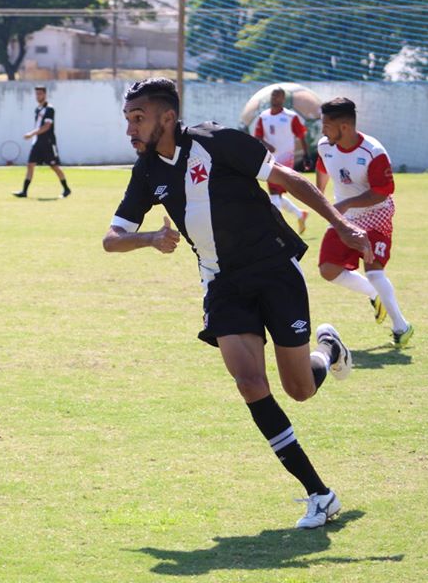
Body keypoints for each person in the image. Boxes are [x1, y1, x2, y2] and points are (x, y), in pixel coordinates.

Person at [103, 78, 373, 529]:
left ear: (167, 118)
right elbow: (112, 240)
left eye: (138, 119)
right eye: (127, 119)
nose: (130, 129)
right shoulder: (147, 170)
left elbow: (287, 179)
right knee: (249, 383)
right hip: (222, 283)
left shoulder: (216, 141)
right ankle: (319, 494)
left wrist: (342, 224)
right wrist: (150, 238)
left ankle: (327, 350)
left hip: (273, 270)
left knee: (300, 389)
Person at [316, 97, 414, 348]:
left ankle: (401, 327)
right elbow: (324, 167)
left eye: (327, 125)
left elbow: (383, 191)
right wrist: (319, 195)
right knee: (328, 269)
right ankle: (374, 295)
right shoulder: (325, 146)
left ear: (345, 127)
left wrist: (346, 203)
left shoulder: (373, 152)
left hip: (376, 214)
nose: (323, 130)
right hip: (344, 217)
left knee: (373, 269)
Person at [253, 87, 310, 233]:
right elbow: (257, 136)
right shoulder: (263, 116)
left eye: (278, 96)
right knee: (276, 193)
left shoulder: (291, 116)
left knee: (273, 191)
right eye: (273, 95)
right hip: (269, 158)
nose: (274, 98)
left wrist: (306, 155)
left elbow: (302, 136)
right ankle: (300, 214)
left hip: (285, 159)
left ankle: (276, 227)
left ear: (283, 99)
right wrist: (267, 145)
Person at [13, 86, 71, 198]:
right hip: (37, 143)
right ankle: (24, 191)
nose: (38, 96)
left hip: (47, 143)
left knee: (54, 166)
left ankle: (66, 189)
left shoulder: (49, 109)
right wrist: (34, 136)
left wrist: (31, 133)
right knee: (30, 165)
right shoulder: (38, 109)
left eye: (40, 94)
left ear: (45, 94)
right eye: (36, 94)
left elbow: (47, 126)